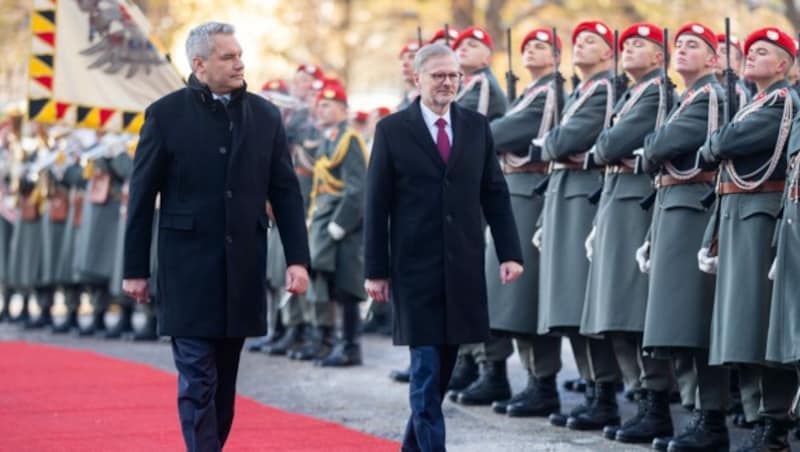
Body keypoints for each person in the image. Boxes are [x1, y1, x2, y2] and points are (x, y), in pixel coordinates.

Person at [122, 22, 310, 451]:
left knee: (223, 384)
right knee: (196, 377)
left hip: (242, 267)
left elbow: (285, 192)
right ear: (199, 64)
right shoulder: (165, 114)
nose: (239, 62)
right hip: (186, 269)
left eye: (240, 54)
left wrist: (298, 259)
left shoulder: (264, 116)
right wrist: (134, 269)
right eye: (228, 56)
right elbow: (141, 196)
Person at [364, 42, 523, 452]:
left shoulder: (475, 126)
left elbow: (495, 193)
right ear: (418, 79)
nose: (447, 82)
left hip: (464, 267)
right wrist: (374, 271)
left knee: (443, 368)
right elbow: (376, 203)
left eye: (453, 75)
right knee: (426, 367)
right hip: (414, 268)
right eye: (438, 75)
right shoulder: (392, 130)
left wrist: (510, 252)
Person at [698, 26, 799, 452]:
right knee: (744, 328)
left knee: (762, 326)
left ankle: (771, 423)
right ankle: (761, 418)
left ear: (784, 65)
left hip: (762, 218)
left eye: (764, 52)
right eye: (749, 51)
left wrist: (715, 145)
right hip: (740, 214)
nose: (751, 57)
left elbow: (727, 142)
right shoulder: (754, 103)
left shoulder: (781, 102)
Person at [578, 22, 675, 443]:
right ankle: (638, 400)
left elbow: (608, 145)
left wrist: (604, 145)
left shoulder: (656, 91)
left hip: (635, 203)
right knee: (616, 311)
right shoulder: (634, 92)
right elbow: (607, 145)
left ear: (658, 56)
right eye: (627, 44)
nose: (629, 49)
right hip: (617, 197)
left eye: (641, 45)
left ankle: (653, 404)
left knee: (632, 309)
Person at [638, 22, 730, 452]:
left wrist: (653, 147)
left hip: (692, 212)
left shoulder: (709, 96)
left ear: (713, 59)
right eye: (679, 45)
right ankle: (696, 415)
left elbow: (657, 147)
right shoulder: (687, 97)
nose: (683, 51)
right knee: (677, 325)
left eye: (694, 46)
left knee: (692, 322)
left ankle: (710, 422)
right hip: (674, 211)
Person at [531, 20, 620, 429]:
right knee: (568, 304)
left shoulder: (604, 88)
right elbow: (555, 141)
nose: (580, 45)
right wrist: (553, 142)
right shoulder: (585, 89)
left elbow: (560, 142)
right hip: (565, 193)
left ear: (608, 52)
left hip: (582, 196)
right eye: (578, 39)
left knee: (583, 299)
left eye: (591, 41)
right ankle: (591, 385)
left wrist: (551, 143)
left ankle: (604, 393)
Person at [485, 27, 564, 419]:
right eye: (527, 46)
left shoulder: (550, 91)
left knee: (525, 293)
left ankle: (543, 383)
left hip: (530, 192)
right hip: (515, 190)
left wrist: (478, 133)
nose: (532, 50)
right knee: (511, 296)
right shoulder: (530, 92)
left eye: (542, 46)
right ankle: (531, 378)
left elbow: (506, 131)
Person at [448, 25, 512, 407]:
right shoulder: (467, 87)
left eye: (472, 45)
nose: (463, 50)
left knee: (478, 280)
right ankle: (468, 359)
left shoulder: (484, 88)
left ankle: (490, 368)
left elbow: (468, 136)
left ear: (487, 55)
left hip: (477, 192)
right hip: (462, 192)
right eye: (459, 46)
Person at [306, 80, 368, 367]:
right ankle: (333, 343)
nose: (322, 109)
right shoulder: (329, 138)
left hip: (346, 223)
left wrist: (340, 224)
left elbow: (356, 187)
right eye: (320, 105)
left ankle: (351, 346)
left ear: (344, 110)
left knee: (347, 286)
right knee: (330, 284)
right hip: (326, 218)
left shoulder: (349, 139)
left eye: (329, 105)